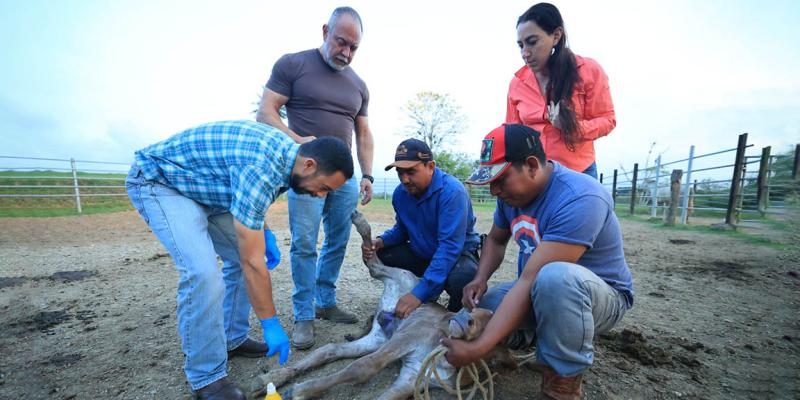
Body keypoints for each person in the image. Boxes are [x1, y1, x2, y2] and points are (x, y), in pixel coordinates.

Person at [125, 120, 353, 400]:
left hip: (209, 191)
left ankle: (232, 339)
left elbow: (251, 196)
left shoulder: (287, 160)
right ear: (309, 165)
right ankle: (206, 376)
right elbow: (252, 262)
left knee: (239, 257)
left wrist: (264, 231)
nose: (321, 195)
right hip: (162, 182)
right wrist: (270, 323)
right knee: (203, 274)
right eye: (323, 187)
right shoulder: (263, 166)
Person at [441, 124, 633, 400]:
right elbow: (496, 240)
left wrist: (478, 348)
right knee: (486, 307)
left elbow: (532, 278)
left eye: (500, 179)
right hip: (540, 289)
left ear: (531, 165)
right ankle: (532, 339)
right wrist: (480, 277)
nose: (494, 190)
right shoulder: (511, 196)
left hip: (600, 299)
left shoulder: (580, 197)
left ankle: (562, 385)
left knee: (556, 278)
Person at [256, 6, 374, 350]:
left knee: (338, 240)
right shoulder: (293, 65)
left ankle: (325, 301)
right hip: (308, 173)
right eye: (341, 42)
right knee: (306, 244)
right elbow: (266, 112)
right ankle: (303, 314)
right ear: (325, 31)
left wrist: (366, 173)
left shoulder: (359, 85)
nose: (346, 52)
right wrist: (297, 142)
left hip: (344, 176)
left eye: (354, 47)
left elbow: (364, 133)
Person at [361, 139, 480, 317]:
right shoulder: (401, 194)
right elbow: (402, 230)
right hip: (424, 253)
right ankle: (409, 293)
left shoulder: (452, 192)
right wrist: (380, 241)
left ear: (430, 166)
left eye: (411, 171)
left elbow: (449, 248)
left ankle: (454, 315)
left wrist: (418, 295)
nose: (405, 179)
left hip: (456, 256)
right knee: (383, 254)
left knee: (464, 277)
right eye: (400, 173)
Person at [506, 2, 616, 179]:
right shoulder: (517, 83)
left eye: (532, 42)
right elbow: (512, 130)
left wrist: (571, 127)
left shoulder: (588, 70)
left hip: (578, 173)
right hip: (534, 176)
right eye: (521, 45)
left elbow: (607, 120)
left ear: (556, 35)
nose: (525, 53)